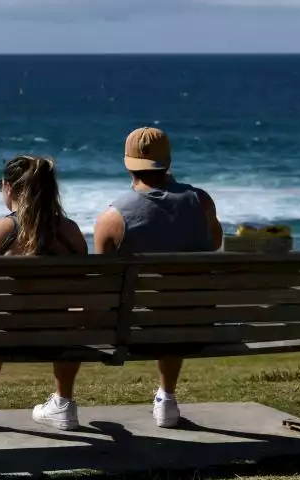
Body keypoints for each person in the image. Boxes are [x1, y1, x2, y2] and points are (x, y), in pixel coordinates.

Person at [93, 128, 223, 429]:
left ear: (128, 164)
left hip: (132, 329)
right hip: (196, 325)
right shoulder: (201, 201)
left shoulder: (112, 217)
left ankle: (63, 400)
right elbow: (214, 244)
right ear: (167, 160)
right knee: (176, 303)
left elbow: (104, 278)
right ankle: (166, 397)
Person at [0, 155, 88, 430]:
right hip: (58, 337)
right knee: (68, 319)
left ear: (9, 189)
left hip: (1, 338)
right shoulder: (71, 233)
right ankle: (64, 402)